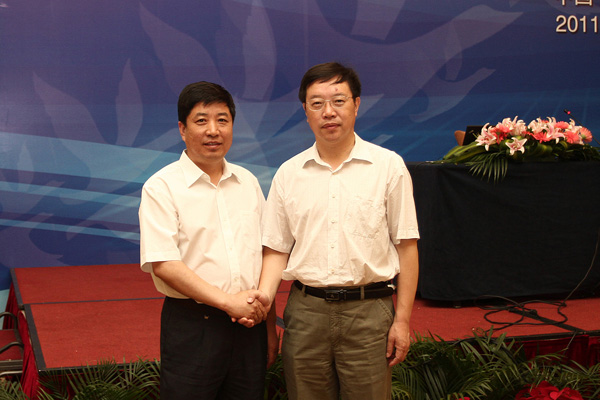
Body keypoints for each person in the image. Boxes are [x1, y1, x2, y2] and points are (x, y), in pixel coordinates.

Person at [258, 62, 420, 399]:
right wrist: (263, 304)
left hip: (369, 313)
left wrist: (402, 320)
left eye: (338, 101)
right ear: (305, 112)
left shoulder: (388, 166)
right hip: (306, 313)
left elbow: (406, 247)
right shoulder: (289, 174)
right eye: (317, 103)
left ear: (356, 104)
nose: (328, 112)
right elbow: (275, 250)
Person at [139, 81, 277, 399]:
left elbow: (266, 253)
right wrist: (228, 302)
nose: (213, 130)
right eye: (201, 120)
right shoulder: (162, 187)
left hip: (250, 326)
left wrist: (268, 327)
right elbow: (164, 264)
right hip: (193, 326)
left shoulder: (248, 182)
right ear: (182, 129)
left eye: (222, 120)